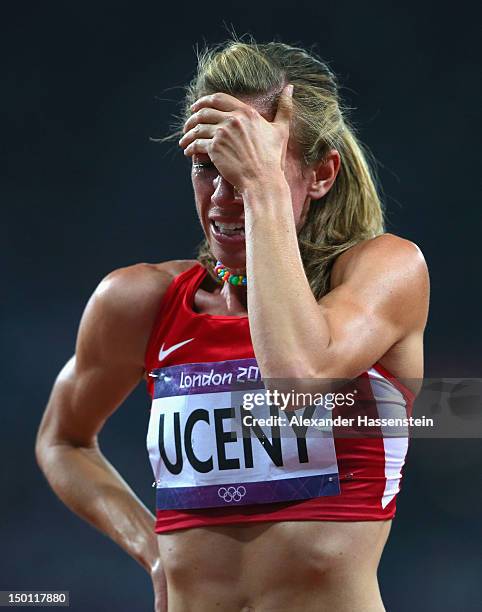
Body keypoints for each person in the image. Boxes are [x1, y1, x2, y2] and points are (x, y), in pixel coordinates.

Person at [36, 39, 429, 612]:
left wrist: (266, 187)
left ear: (320, 174)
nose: (223, 197)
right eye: (206, 168)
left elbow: (298, 379)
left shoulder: (383, 273)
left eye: (247, 169)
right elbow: (62, 440)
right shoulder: (142, 302)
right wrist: (150, 548)